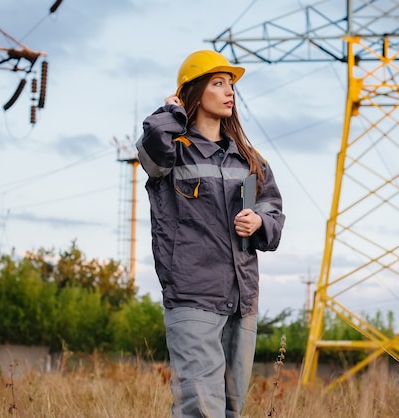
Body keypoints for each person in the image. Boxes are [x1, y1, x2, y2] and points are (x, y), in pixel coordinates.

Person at [135, 50, 285, 417]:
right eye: (218, 83)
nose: (229, 91)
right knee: (200, 406)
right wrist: (171, 112)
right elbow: (151, 143)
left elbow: (274, 212)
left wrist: (260, 222)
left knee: (232, 408)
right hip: (193, 295)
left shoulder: (249, 159)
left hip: (242, 298)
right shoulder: (174, 153)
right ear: (196, 92)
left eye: (230, 84)